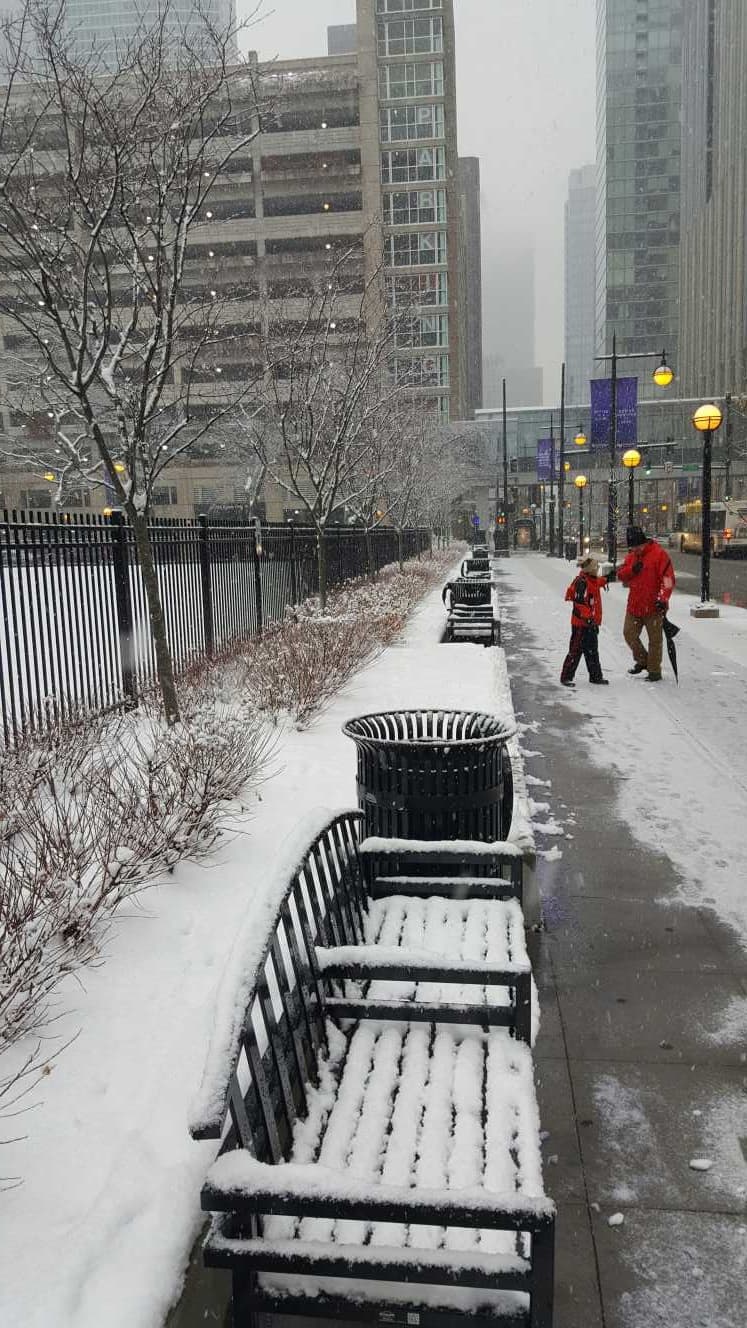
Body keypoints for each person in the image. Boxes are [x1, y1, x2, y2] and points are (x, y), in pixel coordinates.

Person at [617, 525, 675, 682]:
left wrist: (663, 598)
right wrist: (632, 570)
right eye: (632, 547)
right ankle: (643, 660)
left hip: (654, 607)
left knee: (655, 641)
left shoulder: (659, 555)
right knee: (629, 634)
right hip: (635, 605)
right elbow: (621, 575)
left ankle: (654, 671)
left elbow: (668, 579)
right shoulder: (631, 557)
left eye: (637, 547)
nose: (635, 550)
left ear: (643, 542)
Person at [560, 555, 609, 687]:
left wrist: (606, 579)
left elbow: (597, 582)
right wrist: (588, 619)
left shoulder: (591, 579)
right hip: (581, 625)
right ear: (590, 569)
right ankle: (566, 676)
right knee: (575, 650)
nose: (597, 569)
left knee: (592, 650)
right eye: (596, 567)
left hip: (590, 623)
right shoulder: (582, 583)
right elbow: (580, 604)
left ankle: (595, 676)